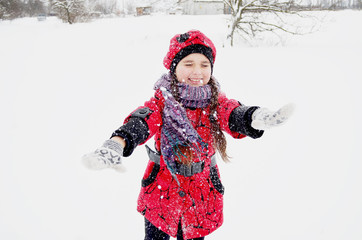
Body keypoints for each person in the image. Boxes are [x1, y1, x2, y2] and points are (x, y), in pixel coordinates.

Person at [82, 30, 294, 240]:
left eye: (204, 65)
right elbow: (142, 121)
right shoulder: (162, 101)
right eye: (188, 63)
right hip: (162, 190)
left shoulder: (215, 101)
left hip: (202, 193)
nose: (197, 72)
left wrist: (253, 116)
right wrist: (116, 143)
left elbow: (231, 112)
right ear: (174, 67)